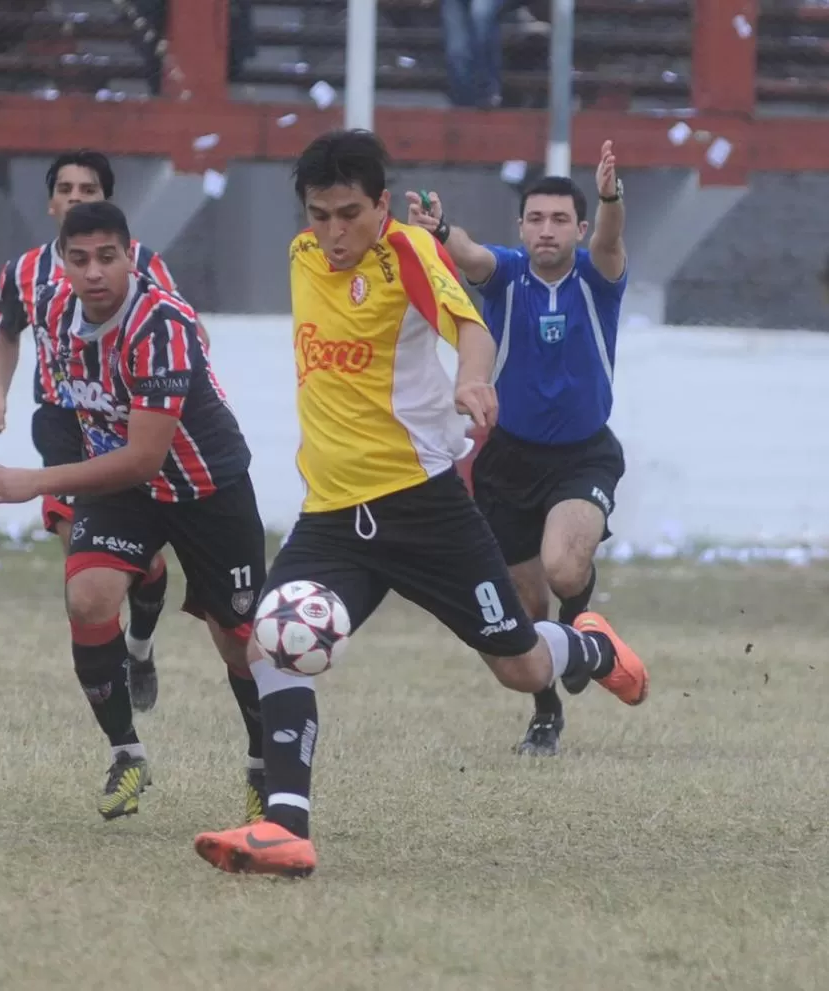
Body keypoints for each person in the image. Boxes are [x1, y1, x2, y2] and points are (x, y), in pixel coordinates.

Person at [192, 129, 649, 879]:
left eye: (350, 213)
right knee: (274, 637)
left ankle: (590, 646)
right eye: (319, 214)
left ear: (381, 203)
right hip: (334, 513)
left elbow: (467, 324)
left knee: (522, 669)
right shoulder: (302, 256)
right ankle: (286, 825)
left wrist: (475, 380)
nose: (335, 232)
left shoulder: (405, 250)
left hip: (423, 508)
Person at [0, 202, 268, 823]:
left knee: (239, 645)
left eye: (108, 257)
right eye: (79, 259)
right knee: (87, 597)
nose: (94, 272)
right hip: (126, 492)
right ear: (63, 263)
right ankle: (127, 754)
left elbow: (144, 457)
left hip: (207, 489)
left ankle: (266, 767)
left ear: (131, 256)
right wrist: (3, 399)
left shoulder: (161, 323)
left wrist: (36, 481)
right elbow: (25, 347)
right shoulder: (50, 306)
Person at [405, 141, 629, 757]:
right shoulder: (505, 274)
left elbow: (611, 240)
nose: (547, 230)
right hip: (508, 460)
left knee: (563, 568)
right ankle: (546, 712)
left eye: (560, 220)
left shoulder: (596, 276)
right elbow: (469, 254)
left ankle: (582, 618)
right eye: (536, 218)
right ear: (522, 226)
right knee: (525, 606)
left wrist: (610, 195)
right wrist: (440, 229)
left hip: (585, 455)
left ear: (578, 228)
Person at [0, 148, 207, 713]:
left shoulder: (144, 265)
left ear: (107, 202)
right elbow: (8, 332)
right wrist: (0, 394)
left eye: (89, 189)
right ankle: (110, 690)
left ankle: (141, 644)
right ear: (51, 201)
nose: (76, 198)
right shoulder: (24, 271)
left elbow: (185, 331)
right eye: (66, 188)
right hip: (61, 421)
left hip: (122, 421)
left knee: (146, 564)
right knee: (81, 552)